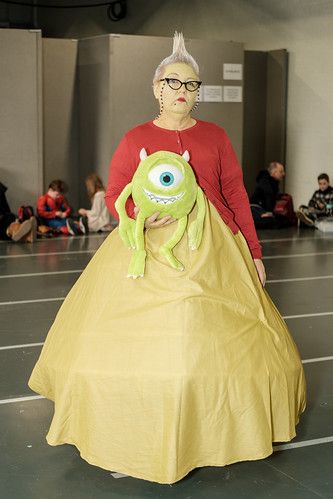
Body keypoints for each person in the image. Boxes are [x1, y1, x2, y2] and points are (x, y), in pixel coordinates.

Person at [29, 33, 306, 484]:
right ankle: (138, 428)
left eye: (191, 84)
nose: (181, 90)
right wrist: (140, 214)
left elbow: (235, 193)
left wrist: (253, 252)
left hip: (215, 250)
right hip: (149, 251)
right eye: (173, 81)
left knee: (210, 341)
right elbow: (118, 193)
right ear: (157, 88)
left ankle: (211, 430)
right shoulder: (135, 136)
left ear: (198, 93)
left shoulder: (216, 137)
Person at [250, 162, 293, 228]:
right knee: (272, 221)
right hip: (256, 209)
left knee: (285, 220)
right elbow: (268, 194)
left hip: (262, 209)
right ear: (274, 172)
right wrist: (268, 212)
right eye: (281, 171)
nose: (283, 174)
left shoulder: (272, 183)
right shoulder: (265, 181)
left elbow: (271, 196)